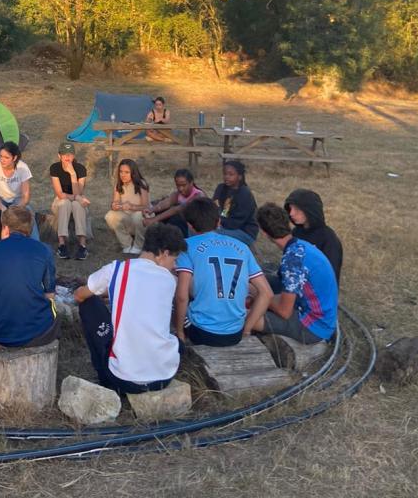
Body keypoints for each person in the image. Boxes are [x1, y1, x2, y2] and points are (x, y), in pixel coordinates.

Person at [74, 222, 186, 394]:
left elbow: (79, 295)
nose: (174, 266)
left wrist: (101, 292)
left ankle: (103, 374)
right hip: (163, 377)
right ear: (164, 254)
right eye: (174, 259)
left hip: (124, 379)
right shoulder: (170, 280)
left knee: (88, 304)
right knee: (176, 342)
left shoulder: (116, 270)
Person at [174, 197, 273, 347]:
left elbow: (181, 297)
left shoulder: (187, 246)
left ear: (190, 226)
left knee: (172, 279)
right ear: (219, 222)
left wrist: (180, 332)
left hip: (201, 332)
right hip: (235, 334)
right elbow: (267, 293)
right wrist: (246, 330)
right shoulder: (242, 247)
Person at [253, 203, 338, 344]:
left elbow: (284, 311)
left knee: (248, 317)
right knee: (258, 281)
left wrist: (261, 295)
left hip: (313, 327)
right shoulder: (299, 245)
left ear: (264, 232)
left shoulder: (292, 261)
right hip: (316, 311)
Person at [0, 206, 59, 348]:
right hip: (37, 333)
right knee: (54, 312)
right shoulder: (44, 250)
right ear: (30, 227)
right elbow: (50, 294)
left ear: (5, 227)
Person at [0, 142, 38, 268]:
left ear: (14, 158)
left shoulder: (23, 168)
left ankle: (35, 249)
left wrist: (15, 208)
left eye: (6, 157)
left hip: (17, 199)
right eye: (1, 156)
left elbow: (26, 196)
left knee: (29, 214)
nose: (2, 160)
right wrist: (4, 209)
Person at [284, 188, 343, 282]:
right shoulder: (296, 232)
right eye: (290, 208)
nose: (291, 213)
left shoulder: (328, 239)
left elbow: (330, 276)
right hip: (293, 284)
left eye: (297, 209)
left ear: (310, 211)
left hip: (313, 292)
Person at [49, 140, 89, 260]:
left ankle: (82, 245)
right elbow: (60, 194)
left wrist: (72, 174)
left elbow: (78, 193)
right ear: (59, 156)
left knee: (78, 205)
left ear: (74, 155)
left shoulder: (80, 169)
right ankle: (62, 244)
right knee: (65, 203)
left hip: (77, 200)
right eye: (64, 154)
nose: (67, 157)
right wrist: (76, 197)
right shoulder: (55, 168)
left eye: (70, 154)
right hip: (61, 200)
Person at [104, 158, 151, 255]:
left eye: (126, 172)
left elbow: (146, 206)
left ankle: (139, 245)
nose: (123, 175)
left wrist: (131, 206)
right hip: (128, 218)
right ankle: (127, 244)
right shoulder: (119, 185)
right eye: (121, 172)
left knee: (137, 215)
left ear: (133, 173)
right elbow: (115, 201)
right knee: (110, 215)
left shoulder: (141, 183)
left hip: (143, 218)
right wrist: (114, 205)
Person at [144, 168, 206, 236]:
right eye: (178, 185)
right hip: (182, 226)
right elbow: (166, 203)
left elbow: (177, 209)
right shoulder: (178, 194)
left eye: (183, 185)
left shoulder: (198, 196)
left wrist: (153, 220)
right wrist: (151, 210)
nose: (180, 188)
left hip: (196, 230)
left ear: (191, 183)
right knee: (162, 212)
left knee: (175, 218)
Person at [212, 160, 258, 247]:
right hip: (222, 224)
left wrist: (218, 223)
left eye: (231, 174)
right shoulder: (221, 188)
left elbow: (237, 221)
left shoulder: (244, 193)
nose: (226, 177)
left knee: (213, 234)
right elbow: (215, 206)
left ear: (240, 177)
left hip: (243, 231)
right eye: (225, 174)